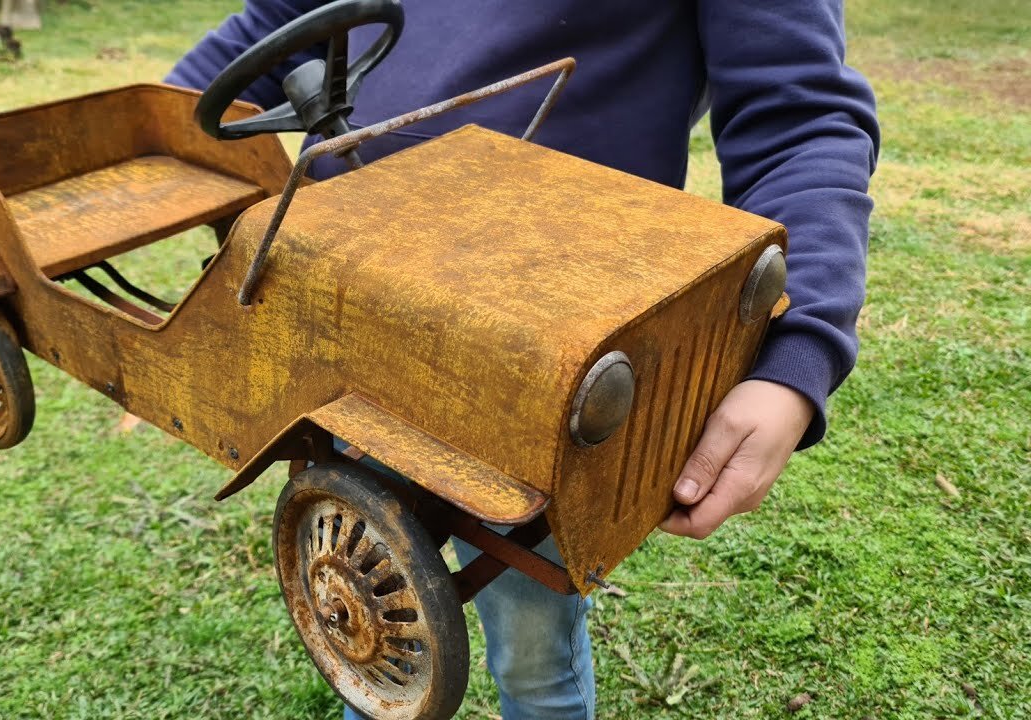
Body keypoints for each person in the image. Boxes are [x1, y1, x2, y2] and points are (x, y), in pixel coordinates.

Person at [167, 1, 879, 717]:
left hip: (543, 349)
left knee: (533, 640)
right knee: (371, 593)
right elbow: (279, 18)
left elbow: (800, 112)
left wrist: (798, 351)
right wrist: (156, 124)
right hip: (359, 304)